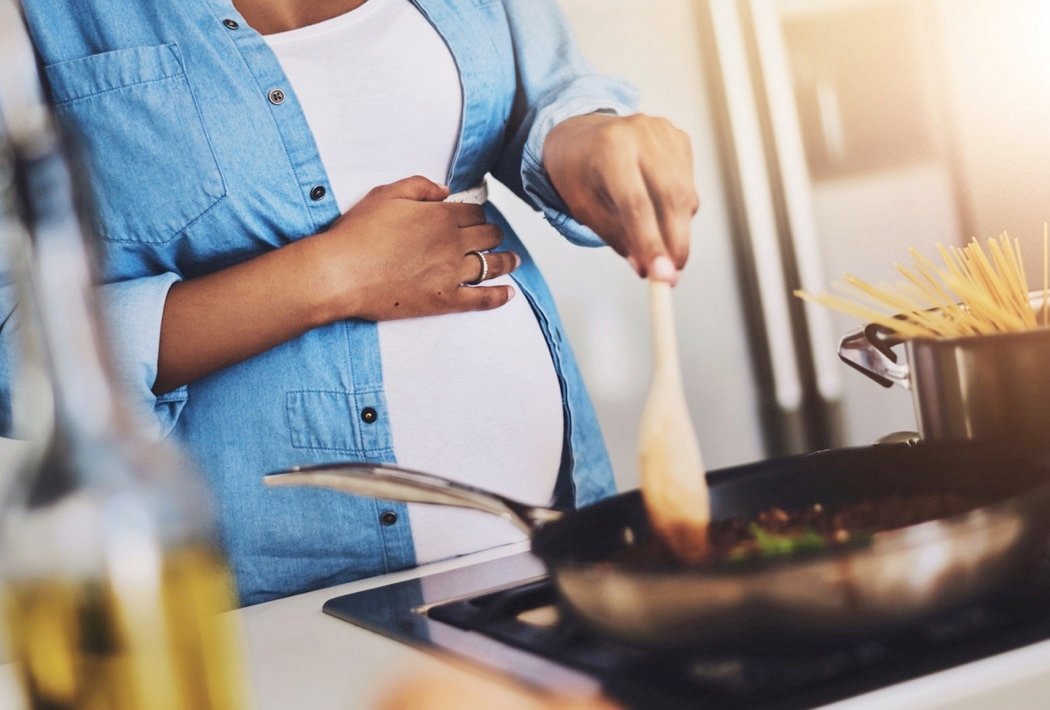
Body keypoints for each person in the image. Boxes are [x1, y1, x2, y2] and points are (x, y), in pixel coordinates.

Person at [13, 0, 698, 605]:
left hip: (553, 531)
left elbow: (545, 92)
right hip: (277, 593)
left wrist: (586, 138)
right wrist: (329, 277)